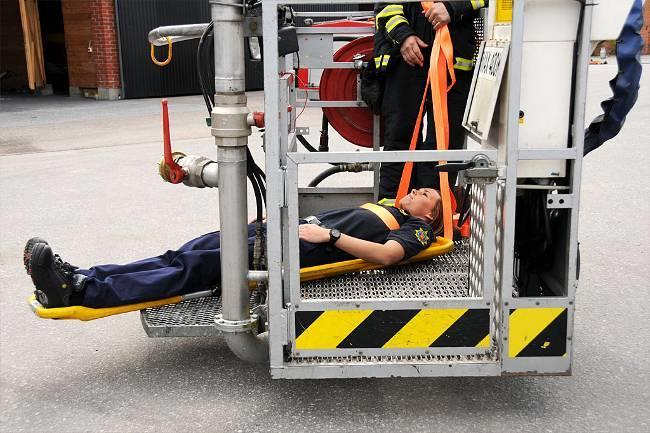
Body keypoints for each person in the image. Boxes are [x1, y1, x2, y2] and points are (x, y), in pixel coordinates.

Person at [25, 188, 443, 309]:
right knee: (180, 256)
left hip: (293, 251)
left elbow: (387, 256)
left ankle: (83, 293)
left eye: (428, 194)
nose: (419, 190)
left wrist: (329, 238)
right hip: (273, 235)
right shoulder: (387, 206)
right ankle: (80, 276)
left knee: (191, 270)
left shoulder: (416, 231)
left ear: (431, 214)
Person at [372, 1, 487, 199]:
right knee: (400, 139)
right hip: (406, 61)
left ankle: (434, 218)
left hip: (453, 64)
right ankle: (391, 215)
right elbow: (386, 6)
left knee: (444, 145)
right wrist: (403, 35)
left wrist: (453, 6)